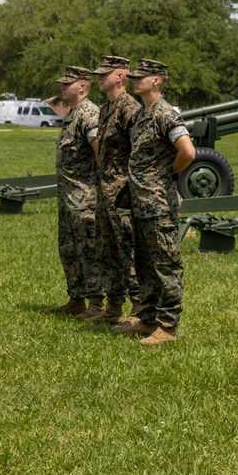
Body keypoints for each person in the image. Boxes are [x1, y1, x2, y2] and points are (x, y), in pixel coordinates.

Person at [118, 59, 195, 345]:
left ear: (157, 81)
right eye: (133, 76)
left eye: (141, 77)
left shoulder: (165, 114)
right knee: (145, 264)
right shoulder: (141, 115)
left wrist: (165, 172)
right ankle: (147, 319)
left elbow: (187, 151)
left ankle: (167, 326)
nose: (134, 80)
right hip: (140, 202)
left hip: (159, 203)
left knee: (166, 264)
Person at [84, 55, 142, 326]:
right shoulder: (106, 109)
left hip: (122, 195)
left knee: (128, 251)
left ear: (120, 76)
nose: (99, 77)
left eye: (105, 73)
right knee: (107, 251)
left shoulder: (129, 108)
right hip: (105, 194)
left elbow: (140, 151)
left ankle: (139, 309)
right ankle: (114, 306)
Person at [46, 66, 103, 317]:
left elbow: (100, 151)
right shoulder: (73, 114)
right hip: (68, 199)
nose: (61, 87)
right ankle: (76, 299)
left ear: (82, 86)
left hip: (85, 198)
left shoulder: (89, 114)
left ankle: (97, 304)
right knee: (69, 250)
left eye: (67, 83)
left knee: (89, 251)